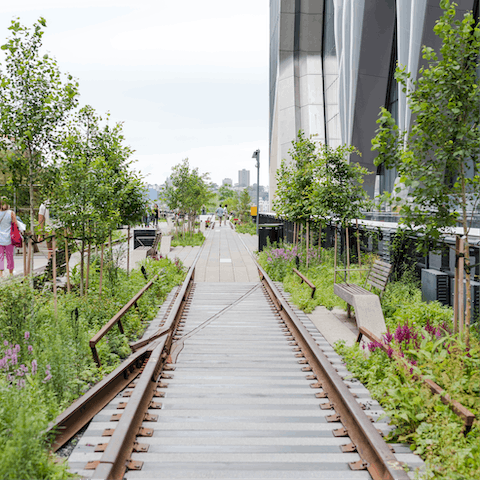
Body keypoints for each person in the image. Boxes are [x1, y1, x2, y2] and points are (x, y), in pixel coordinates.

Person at [0, 197, 19, 277]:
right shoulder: (11, 213)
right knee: (10, 256)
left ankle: (1, 274)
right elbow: (16, 224)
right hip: (9, 238)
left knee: (0, 257)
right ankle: (10, 273)